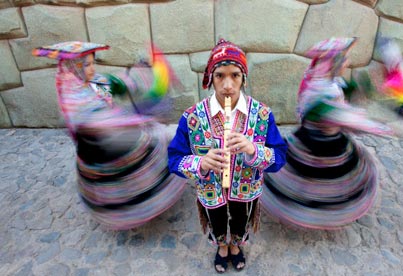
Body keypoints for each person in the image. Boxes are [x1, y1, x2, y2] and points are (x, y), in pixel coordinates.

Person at [33, 41, 187, 229]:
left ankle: (146, 195)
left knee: (145, 150)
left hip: (113, 134)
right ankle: (132, 209)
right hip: (99, 148)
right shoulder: (71, 98)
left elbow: (120, 86)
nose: (91, 69)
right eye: (86, 65)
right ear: (74, 68)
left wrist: (142, 74)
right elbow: (93, 123)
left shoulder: (96, 82)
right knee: (142, 149)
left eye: (92, 63)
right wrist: (132, 121)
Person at [167, 39, 287, 273]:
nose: (228, 86)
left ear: (244, 79)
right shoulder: (192, 117)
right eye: (220, 76)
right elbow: (174, 159)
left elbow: (279, 156)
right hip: (211, 188)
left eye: (235, 76)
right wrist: (200, 162)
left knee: (241, 221)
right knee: (217, 220)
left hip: (246, 187)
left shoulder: (261, 114)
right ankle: (222, 246)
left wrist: (253, 150)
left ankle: (236, 245)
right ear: (211, 78)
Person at [261, 37, 394, 230]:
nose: (347, 63)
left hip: (326, 140)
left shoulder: (323, 81)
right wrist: (387, 128)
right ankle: (307, 213)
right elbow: (345, 118)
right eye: (344, 59)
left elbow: (344, 93)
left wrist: (370, 82)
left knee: (316, 179)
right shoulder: (320, 93)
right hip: (316, 144)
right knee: (310, 180)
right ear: (334, 62)